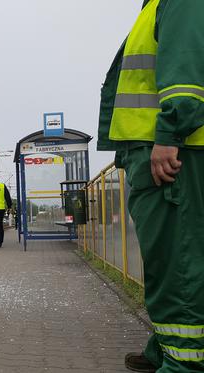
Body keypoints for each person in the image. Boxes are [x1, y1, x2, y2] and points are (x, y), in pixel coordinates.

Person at [98, 1, 204, 371]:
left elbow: (187, 75)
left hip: (174, 154)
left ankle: (184, 364)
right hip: (156, 152)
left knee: (178, 264)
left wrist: (168, 133)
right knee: (165, 262)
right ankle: (164, 347)